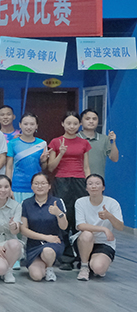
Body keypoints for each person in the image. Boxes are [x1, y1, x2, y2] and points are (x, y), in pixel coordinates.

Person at [46, 112, 91, 269]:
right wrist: (61, 153)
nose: (72, 126)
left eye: (75, 123)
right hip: (62, 181)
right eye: (68, 123)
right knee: (63, 216)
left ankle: (81, 256)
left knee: (79, 218)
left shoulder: (84, 143)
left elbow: (86, 166)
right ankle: (66, 257)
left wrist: (89, 183)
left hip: (80, 181)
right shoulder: (56, 142)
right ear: (62, 124)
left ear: (79, 125)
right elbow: (50, 167)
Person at [73, 174, 123, 281]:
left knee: (99, 269)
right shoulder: (80, 202)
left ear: (103, 187)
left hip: (104, 243)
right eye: (90, 184)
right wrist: (104, 229)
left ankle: (92, 263)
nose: (94, 186)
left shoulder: (112, 203)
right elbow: (80, 225)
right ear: (86, 188)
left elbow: (120, 227)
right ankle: (84, 266)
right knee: (87, 234)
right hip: (84, 241)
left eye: (97, 184)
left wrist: (109, 216)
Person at [20, 173, 68, 282]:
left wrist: (59, 214)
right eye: (36, 184)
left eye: (43, 183)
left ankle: (49, 268)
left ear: (49, 186)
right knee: (36, 276)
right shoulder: (26, 203)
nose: (40, 186)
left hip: (53, 243)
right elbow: (23, 230)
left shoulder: (57, 202)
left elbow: (64, 226)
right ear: (32, 187)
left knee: (47, 251)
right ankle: (42, 265)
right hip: (34, 245)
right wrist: (46, 237)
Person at [5, 113, 48, 202]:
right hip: (17, 187)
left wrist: (43, 161)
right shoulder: (12, 143)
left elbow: (44, 168)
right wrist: (8, 187)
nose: (28, 127)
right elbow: (9, 167)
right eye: (25, 124)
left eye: (32, 124)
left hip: (36, 188)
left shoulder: (42, 144)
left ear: (36, 126)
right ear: (20, 125)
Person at [78, 109, 119, 178]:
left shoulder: (104, 139)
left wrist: (113, 142)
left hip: (97, 181)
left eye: (94, 119)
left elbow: (114, 158)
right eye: (87, 119)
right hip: (77, 180)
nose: (91, 121)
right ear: (80, 122)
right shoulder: (75, 138)